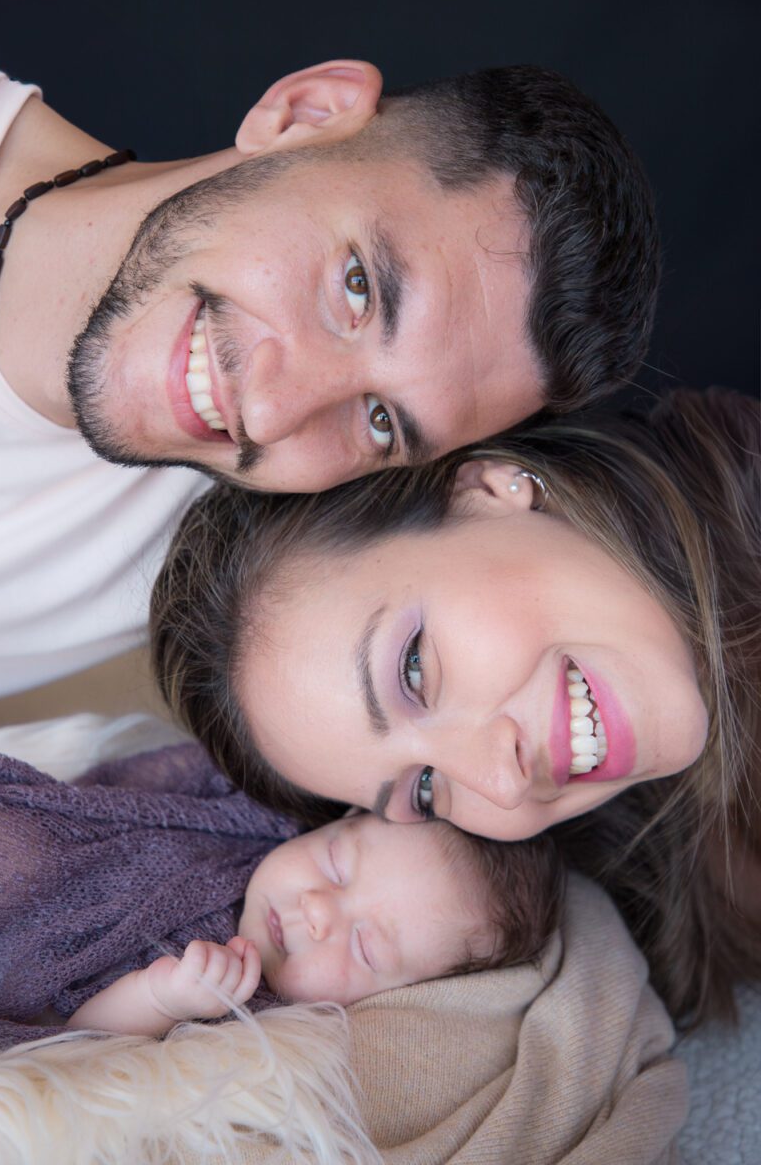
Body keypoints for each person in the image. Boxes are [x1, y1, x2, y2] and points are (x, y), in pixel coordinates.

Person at [0, 43, 659, 702]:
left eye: (380, 420)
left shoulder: (231, 555)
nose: (268, 414)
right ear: (305, 113)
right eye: (357, 289)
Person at [151, 387, 760, 1026]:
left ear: (490, 491)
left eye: (413, 670)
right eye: (424, 791)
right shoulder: (677, 883)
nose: (501, 783)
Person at [0, 741, 562, 1049]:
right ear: (339, 817)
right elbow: (115, 796)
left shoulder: (246, 1006)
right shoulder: (252, 813)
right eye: (335, 862)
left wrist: (162, 998)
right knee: (11, 849)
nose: (318, 909)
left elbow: (76, 1043)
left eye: (365, 947)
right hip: (28, 860)